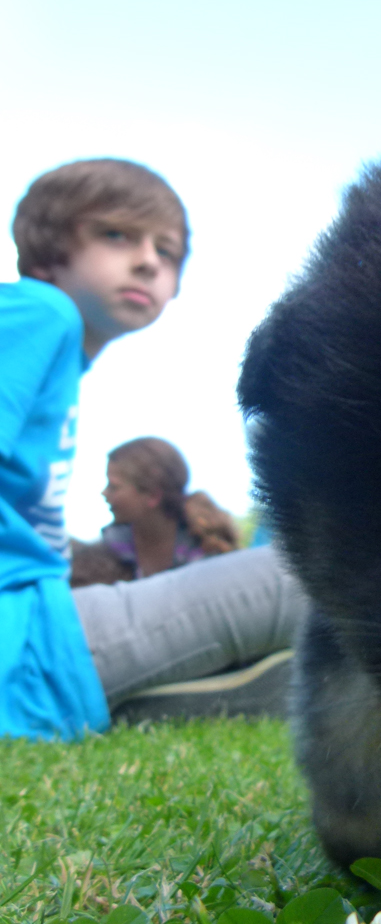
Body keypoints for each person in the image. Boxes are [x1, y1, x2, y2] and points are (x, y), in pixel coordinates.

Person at [1, 159, 306, 740]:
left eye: (166, 251)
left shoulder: (59, 350)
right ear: (48, 249)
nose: (148, 261)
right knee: (319, 566)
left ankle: (177, 686)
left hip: (41, 635)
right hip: (31, 642)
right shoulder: (40, 313)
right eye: (117, 235)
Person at [70, 437, 239, 587]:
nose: (104, 493)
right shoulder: (108, 551)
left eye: (114, 486)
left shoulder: (206, 550)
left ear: (152, 495)